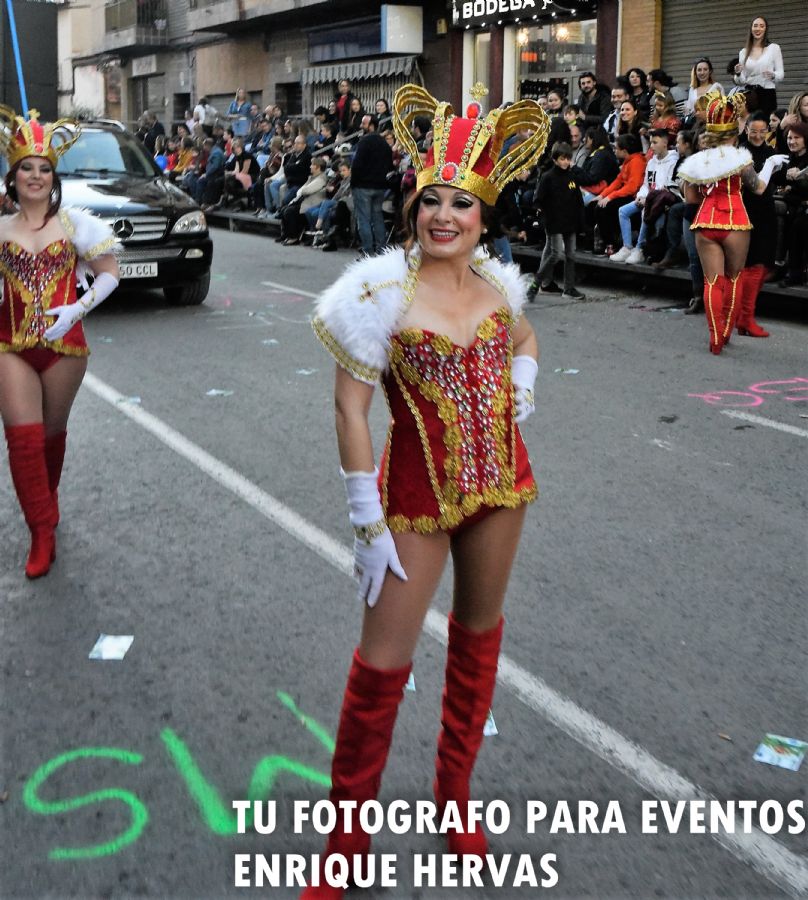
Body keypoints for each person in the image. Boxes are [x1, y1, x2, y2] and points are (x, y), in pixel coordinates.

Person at [303, 83, 549, 899]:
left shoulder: (498, 288)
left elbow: (525, 336)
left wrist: (524, 384)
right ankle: (344, 843)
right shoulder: (377, 294)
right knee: (380, 669)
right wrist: (365, 520)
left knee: (479, 647)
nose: (445, 215)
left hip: (501, 489)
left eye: (462, 204)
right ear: (412, 207)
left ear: (484, 216)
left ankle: (455, 797)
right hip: (411, 498)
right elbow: (350, 406)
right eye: (432, 200)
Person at [0, 107, 119, 578]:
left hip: (65, 348)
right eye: (26, 167)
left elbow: (110, 274)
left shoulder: (75, 225)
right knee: (23, 440)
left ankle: (46, 503)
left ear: (54, 175)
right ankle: (41, 531)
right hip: (9, 346)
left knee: (50, 438)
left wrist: (77, 307)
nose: (35, 175)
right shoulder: (0, 228)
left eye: (43, 167)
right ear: (13, 175)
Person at [677, 91, 788, 354]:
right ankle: (725, 332)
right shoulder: (741, 159)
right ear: (734, 134)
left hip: (705, 221)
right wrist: (771, 164)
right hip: (736, 221)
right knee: (734, 278)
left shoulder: (696, 161)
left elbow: (690, 197)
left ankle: (715, 339)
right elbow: (759, 188)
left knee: (712, 281)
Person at [611, 128, 679, 265]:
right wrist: (641, 196)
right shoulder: (651, 162)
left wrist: (647, 199)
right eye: (650, 142)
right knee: (623, 211)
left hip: (661, 202)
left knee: (645, 211)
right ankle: (627, 247)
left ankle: (639, 249)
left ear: (665, 143)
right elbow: (646, 185)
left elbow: (667, 187)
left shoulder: (673, 161)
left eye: (655, 142)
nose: (651, 146)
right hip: (648, 198)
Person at [529, 141, 585, 300]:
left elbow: (578, 200)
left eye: (568, 158)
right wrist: (542, 216)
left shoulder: (572, 176)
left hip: (570, 222)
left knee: (571, 255)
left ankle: (569, 288)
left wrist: (581, 222)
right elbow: (538, 199)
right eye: (562, 159)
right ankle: (536, 282)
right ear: (554, 159)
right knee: (555, 254)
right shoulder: (548, 177)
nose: (565, 162)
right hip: (554, 222)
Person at [594, 133, 647, 255]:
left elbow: (632, 188)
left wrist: (610, 197)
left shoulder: (636, 162)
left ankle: (611, 244)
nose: (614, 150)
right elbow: (618, 181)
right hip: (627, 194)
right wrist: (603, 195)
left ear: (624, 150)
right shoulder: (627, 161)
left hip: (634, 197)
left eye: (616, 148)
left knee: (603, 208)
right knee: (597, 205)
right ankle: (607, 242)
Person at [350, 114, 393, 256]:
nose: (361, 126)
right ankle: (381, 250)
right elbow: (389, 165)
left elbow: (356, 165)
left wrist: (354, 183)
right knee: (377, 218)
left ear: (372, 125)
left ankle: (368, 252)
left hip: (363, 186)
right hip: (379, 186)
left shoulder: (364, 143)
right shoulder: (384, 144)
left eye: (364, 123)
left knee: (364, 220)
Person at [733, 16, 784, 117]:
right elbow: (741, 81)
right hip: (749, 95)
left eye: (761, 26)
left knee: (766, 125)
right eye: (755, 26)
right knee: (749, 124)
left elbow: (781, 74)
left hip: (767, 93)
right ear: (751, 29)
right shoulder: (743, 52)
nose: (758, 29)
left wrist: (773, 75)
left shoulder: (774, 48)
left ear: (766, 29)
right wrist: (738, 73)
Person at [779, 122, 808, 287]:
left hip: (801, 207)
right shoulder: (787, 159)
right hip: (793, 206)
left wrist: (798, 181)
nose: (792, 141)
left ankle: (795, 271)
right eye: (789, 137)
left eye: (797, 137)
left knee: (798, 224)